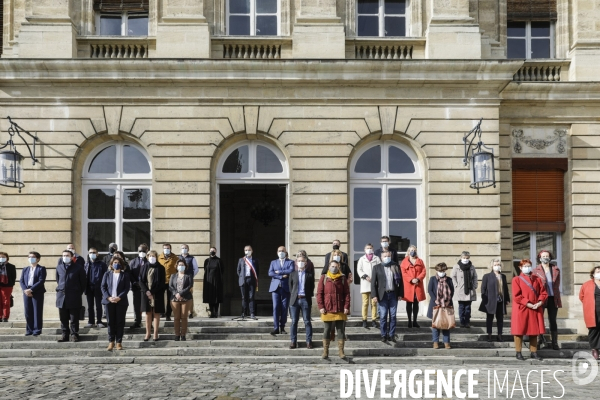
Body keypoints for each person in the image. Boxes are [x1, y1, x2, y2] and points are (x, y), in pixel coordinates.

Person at [511, 259, 547, 361]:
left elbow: (543, 293)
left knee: (534, 330)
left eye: (529, 265)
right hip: (522, 308)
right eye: (525, 266)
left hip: (535, 307)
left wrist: (540, 302)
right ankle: (518, 352)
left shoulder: (537, 279)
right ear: (520, 268)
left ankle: (534, 352)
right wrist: (529, 304)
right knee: (519, 331)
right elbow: (517, 296)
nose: (527, 268)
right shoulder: (516, 280)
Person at [317, 260, 350, 359]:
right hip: (327, 308)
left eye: (336, 266)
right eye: (332, 266)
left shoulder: (343, 278)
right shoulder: (324, 278)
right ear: (329, 267)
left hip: (340, 308)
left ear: (339, 267)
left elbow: (347, 294)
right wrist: (321, 307)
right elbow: (319, 294)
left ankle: (341, 352)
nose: (334, 268)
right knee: (327, 330)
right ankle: (325, 351)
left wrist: (346, 307)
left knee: (340, 330)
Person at [371, 250, 404, 342]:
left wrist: (401, 294)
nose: (387, 258)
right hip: (383, 295)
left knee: (393, 316)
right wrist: (374, 295)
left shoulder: (396, 266)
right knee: (383, 316)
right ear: (381, 258)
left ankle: (392, 334)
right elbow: (373, 283)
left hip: (393, 294)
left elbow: (401, 282)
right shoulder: (377, 267)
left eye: (388, 256)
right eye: (385, 256)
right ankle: (383, 334)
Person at [55, 249, 87, 342]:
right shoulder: (59, 267)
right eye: (63, 255)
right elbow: (58, 280)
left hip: (74, 296)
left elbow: (83, 282)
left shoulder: (78, 268)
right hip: (61, 296)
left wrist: (77, 292)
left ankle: (74, 334)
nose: (65, 257)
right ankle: (65, 334)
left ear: (72, 257)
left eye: (67, 255)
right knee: (63, 318)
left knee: (74, 318)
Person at [533, 250, 562, 350]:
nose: (545, 257)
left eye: (547, 256)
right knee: (539, 319)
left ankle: (554, 342)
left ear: (550, 257)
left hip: (553, 298)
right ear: (539, 258)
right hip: (541, 298)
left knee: (552, 320)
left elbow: (557, 284)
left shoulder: (555, 269)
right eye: (543, 256)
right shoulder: (535, 271)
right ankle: (539, 340)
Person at [101, 257, 130, 351]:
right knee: (110, 322)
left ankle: (119, 342)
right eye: (114, 262)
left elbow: (126, 288)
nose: (116, 264)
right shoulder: (107, 274)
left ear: (121, 264)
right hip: (109, 301)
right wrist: (108, 297)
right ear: (111, 264)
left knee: (120, 322)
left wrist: (119, 297)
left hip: (121, 302)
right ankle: (111, 342)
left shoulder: (125, 275)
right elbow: (103, 287)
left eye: (118, 262)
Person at [479, 258, 510, 342]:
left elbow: (506, 289)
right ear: (492, 266)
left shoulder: (503, 276)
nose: (497, 266)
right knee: (490, 318)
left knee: (500, 319)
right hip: (490, 301)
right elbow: (483, 289)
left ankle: (499, 335)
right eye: (495, 265)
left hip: (501, 300)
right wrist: (485, 299)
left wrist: (507, 299)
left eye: (498, 265)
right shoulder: (487, 276)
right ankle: (489, 335)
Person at [288, 254, 314, 349]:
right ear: (296, 262)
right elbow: (290, 287)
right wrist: (294, 295)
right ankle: (293, 341)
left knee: (307, 321)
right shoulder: (292, 274)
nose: (300, 262)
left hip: (305, 299)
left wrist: (306, 296)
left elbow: (312, 288)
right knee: (294, 321)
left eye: (302, 261)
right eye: (299, 261)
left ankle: (309, 341)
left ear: (306, 263)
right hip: (295, 300)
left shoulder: (309, 275)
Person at [140, 250, 166, 341]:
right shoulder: (143, 267)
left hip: (157, 293)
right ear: (147, 257)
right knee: (148, 312)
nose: (152, 257)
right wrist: (147, 291)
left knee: (156, 312)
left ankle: (155, 333)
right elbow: (141, 280)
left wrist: (153, 292)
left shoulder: (161, 268)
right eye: (150, 256)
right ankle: (147, 333)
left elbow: (162, 283)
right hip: (146, 293)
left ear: (156, 257)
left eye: (154, 256)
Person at [427, 263, 455, 349]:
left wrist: (447, 301)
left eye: (443, 271)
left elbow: (452, 291)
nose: (441, 272)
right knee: (436, 324)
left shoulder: (449, 279)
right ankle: (435, 342)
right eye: (440, 271)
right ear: (436, 270)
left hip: (447, 305)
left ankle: (446, 342)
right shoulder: (432, 279)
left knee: (446, 324)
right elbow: (430, 290)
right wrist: (436, 300)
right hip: (435, 304)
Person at [269, 246, 294, 335]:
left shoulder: (290, 262)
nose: (281, 252)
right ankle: (276, 327)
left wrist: (278, 272)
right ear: (277, 252)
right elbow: (270, 273)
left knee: (284, 308)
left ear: (286, 252)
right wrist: (281, 275)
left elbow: (291, 270)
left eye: (282, 251)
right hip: (275, 288)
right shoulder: (273, 262)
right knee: (276, 307)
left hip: (285, 288)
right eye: (279, 251)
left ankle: (282, 327)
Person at [20, 252, 46, 335]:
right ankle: (29, 330)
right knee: (28, 311)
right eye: (29, 257)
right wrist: (25, 290)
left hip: (37, 292)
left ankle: (37, 330)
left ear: (38, 259)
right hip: (26, 292)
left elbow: (41, 281)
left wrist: (31, 290)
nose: (31, 258)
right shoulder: (25, 269)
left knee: (37, 311)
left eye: (33, 257)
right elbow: (21, 281)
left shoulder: (41, 268)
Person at [401, 245, 426, 328]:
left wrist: (418, 279)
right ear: (408, 252)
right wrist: (411, 279)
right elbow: (403, 273)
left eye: (414, 250)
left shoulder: (420, 261)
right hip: (409, 285)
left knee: (416, 304)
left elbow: (423, 271)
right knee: (409, 304)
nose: (413, 251)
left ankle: (415, 321)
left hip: (418, 285)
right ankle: (409, 321)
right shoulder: (404, 262)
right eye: (411, 250)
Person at [451, 251, 478, 328]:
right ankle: (462, 322)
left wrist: (475, 285)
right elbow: (453, 277)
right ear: (461, 257)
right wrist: (456, 285)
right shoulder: (456, 266)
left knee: (468, 307)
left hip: (469, 289)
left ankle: (467, 322)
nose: (465, 259)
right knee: (461, 307)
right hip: (460, 290)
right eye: (464, 258)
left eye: (467, 258)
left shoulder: (472, 267)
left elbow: (475, 277)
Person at [357, 243, 381, 328]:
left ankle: (374, 320)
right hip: (365, 284)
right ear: (364, 249)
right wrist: (365, 276)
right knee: (365, 303)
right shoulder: (361, 259)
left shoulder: (377, 258)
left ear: (373, 249)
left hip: (374, 284)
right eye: (367, 248)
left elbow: (380, 269)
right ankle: (364, 320)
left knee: (374, 303)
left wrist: (376, 278)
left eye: (370, 248)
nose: (369, 249)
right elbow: (359, 270)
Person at [579, 265, 600, 360]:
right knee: (593, 331)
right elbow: (581, 296)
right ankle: (595, 349)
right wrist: (589, 304)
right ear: (593, 274)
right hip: (592, 311)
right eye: (598, 272)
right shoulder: (586, 285)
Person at [170, 259, 193, 341]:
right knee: (176, 317)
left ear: (185, 266)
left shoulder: (188, 275)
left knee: (184, 317)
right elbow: (170, 286)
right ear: (176, 266)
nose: (181, 266)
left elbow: (190, 285)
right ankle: (177, 334)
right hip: (175, 299)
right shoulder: (173, 276)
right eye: (179, 265)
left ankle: (183, 335)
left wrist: (181, 294)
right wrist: (176, 293)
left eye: (182, 265)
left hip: (186, 298)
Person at [84, 247, 107, 328]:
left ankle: (99, 321)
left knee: (99, 305)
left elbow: (105, 276)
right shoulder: (86, 264)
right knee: (90, 306)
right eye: (90, 253)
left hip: (98, 287)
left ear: (97, 254)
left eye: (94, 252)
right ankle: (91, 321)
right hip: (89, 287)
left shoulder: (102, 264)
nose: (92, 254)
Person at [128, 243, 149, 329]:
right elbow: (130, 273)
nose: (142, 252)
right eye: (140, 251)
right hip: (136, 286)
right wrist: (135, 282)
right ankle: (137, 321)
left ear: (147, 251)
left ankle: (149, 322)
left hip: (146, 287)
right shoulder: (133, 261)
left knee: (147, 305)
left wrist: (144, 285)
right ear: (138, 251)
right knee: (137, 305)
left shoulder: (149, 261)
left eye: (143, 251)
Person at [237, 245, 259, 319]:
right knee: (244, 297)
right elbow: (238, 270)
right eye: (246, 250)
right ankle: (244, 313)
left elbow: (257, 271)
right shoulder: (241, 260)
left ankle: (252, 313)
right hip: (243, 280)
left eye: (249, 250)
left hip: (251, 280)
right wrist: (241, 277)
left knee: (251, 297)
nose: (247, 251)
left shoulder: (255, 260)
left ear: (252, 251)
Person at [179, 244, 199, 318]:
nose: (184, 249)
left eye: (185, 248)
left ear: (188, 249)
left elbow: (196, 269)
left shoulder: (192, 258)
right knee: (180, 294)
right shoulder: (178, 258)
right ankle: (181, 312)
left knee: (189, 296)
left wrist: (191, 276)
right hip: (180, 279)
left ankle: (190, 312)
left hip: (189, 279)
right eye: (183, 248)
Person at [158, 243, 178, 321]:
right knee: (160, 298)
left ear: (170, 249)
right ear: (163, 249)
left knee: (170, 298)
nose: (166, 249)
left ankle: (168, 314)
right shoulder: (159, 257)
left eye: (168, 248)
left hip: (171, 281)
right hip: (161, 281)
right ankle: (161, 312)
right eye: (165, 248)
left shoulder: (175, 258)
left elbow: (177, 269)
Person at [203, 246, 223, 318]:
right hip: (209, 281)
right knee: (210, 296)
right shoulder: (207, 261)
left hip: (217, 281)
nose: (212, 251)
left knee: (216, 296)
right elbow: (205, 269)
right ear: (209, 251)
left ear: (216, 251)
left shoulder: (219, 260)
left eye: (213, 250)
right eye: (211, 250)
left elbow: (222, 271)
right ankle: (212, 312)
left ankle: (216, 312)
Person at [0, 252, 17, 322]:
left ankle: (5, 317)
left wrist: (11, 284)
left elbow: (13, 277)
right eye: (0, 257)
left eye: (3, 257)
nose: (1, 258)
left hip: (7, 286)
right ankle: (0, 316)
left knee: (6, 301)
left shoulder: (11, 266)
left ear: (7, 258)